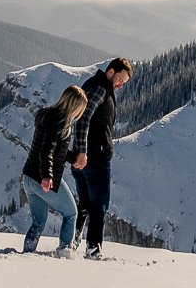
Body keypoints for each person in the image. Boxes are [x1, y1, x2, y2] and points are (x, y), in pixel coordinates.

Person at [68, 57, 133, 260]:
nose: (121, 85)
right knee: (99, 206)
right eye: (120, 79)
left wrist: (79, 151)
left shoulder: (96, 86)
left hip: (85, 159)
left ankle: (72, 242)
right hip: (94, 160)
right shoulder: (100, 88)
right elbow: (83, 117)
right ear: (111, 72)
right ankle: (93, 250)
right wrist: (82, 151)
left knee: (85, 204)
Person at [20, 86, 87, 255]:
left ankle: (26, 254)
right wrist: (47, 176)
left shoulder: (48, 115)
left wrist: (75, 158)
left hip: (29, 177)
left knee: (38, 222)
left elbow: (57, 151)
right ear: (74, 105)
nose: (79, 113)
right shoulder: (61, 121)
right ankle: (64, 252)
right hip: (41, 179)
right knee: (71, 213)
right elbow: (47, 150)